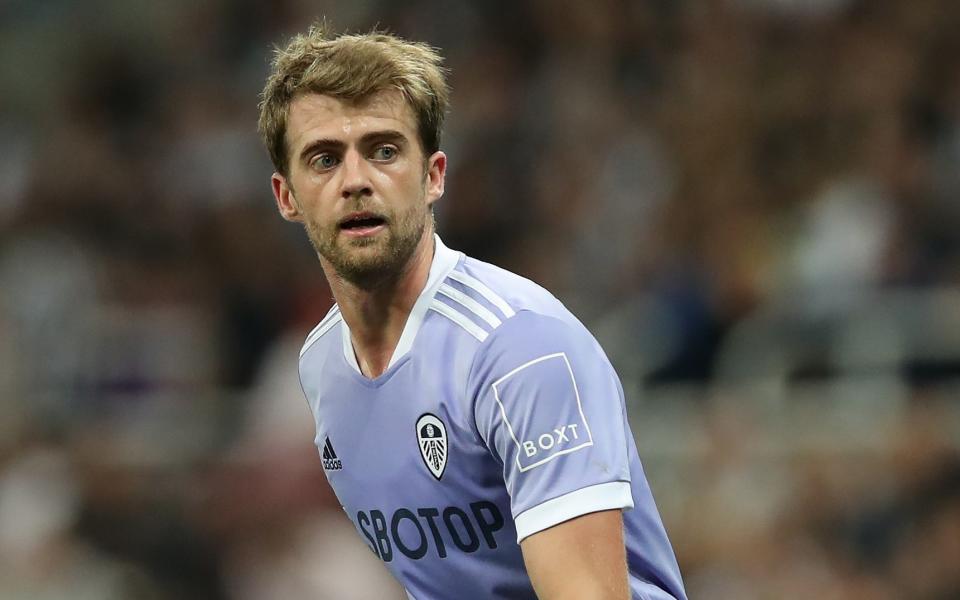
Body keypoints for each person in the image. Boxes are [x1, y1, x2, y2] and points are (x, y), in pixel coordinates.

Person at [257, 23, 687, 600]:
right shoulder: (320, 368)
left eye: (384, 151)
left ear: (433, 177)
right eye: (324, 158)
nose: (356, 181)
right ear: (287, 197)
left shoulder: (519, 349)